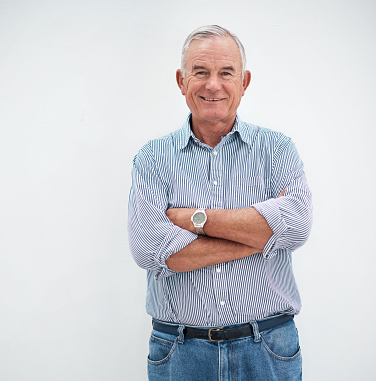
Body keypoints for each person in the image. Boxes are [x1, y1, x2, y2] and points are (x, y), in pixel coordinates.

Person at [128, 25, 312, 381]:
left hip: (269, 346)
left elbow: (299, 224)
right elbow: (149, 250)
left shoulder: (278, 151)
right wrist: (260, 234)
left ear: (244, 82)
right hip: (179, 351)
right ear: (182, 81)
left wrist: (192, 220)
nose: (213, 84)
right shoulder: (151, 159)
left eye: (226, 73)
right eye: (201, 72)